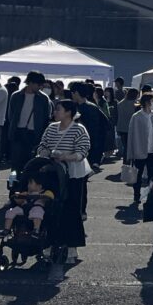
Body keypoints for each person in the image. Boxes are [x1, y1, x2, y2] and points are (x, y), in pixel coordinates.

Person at [37, 100, 91, 264]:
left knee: (71, 210)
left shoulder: (79, 129)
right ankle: (48, 243)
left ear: (68, 112)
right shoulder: (51, 128)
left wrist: (66, 156)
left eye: (58, 109)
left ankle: (71, 248)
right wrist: (46, 154)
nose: (55, 112)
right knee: (50, 208)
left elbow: (83, 150)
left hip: (73, 174)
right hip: (53, 173)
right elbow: (42, 146)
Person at [6, 72, 53, 173]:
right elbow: (11, 115)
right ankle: (16, 180)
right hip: (18, 132)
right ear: (30, 83)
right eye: (38, 84)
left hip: (34, 133)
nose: (40, 87)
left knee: (32, 162)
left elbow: (46, 117)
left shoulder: (43, 98)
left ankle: (29, 181)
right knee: (16, 162)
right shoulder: (16, 96)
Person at [126, 92, 153, 205]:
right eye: (152, 101)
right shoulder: (136, 117)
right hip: (139, 150)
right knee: (137, 176)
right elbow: (131, 136)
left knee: (152, 175)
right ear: (146, 102)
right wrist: (130, 153)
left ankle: (150, 197)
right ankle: (136, 196)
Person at [70, 81, 108, 172]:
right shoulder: (90, 106)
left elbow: (95, 132)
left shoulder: (89, 108)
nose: (71, 95)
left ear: (76, 93)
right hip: (83, 146)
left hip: (88, 147)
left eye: (72, 93)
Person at [116, 88, 140, 159]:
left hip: (121, 128)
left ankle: (126, 160)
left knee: (125, 145)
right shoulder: (136, 105)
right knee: (131, 146)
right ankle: (129, 160)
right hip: (131, 128)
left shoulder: (120, 103)